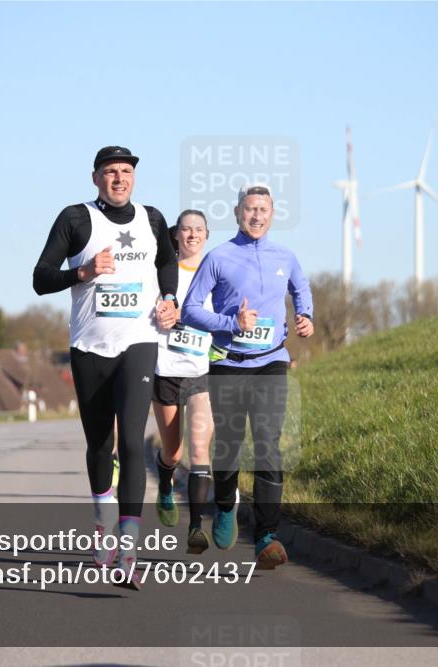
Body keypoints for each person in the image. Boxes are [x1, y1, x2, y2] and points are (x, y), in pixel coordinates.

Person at [32, 146, 178, 589]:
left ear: (134, 177)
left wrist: (170, 300)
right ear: (96, 178)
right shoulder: (75, 219)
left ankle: (129, 548)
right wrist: (82, 273)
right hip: (90, 348)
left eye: (127, 172)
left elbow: (167, 261)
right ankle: (102, 521)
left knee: (133, 440)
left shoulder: (152, 219)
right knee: (101, 443)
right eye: (111, 172)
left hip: (140, 341)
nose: (119, 179)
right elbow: (40, 278)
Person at [182, 182, 314, 569]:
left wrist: (305, 316)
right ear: (238, 212)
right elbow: (190, 309)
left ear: (272, 214)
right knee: (229, 443)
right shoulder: (219, 257)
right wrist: (230, 323)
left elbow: (301, 288)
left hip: (272, 361)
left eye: (264, 210)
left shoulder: (285, 256)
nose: (257, 216)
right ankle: (225, 505)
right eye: (250, 209)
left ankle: (267, 537)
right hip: (227, 362)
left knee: (269, 444)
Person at [152, 210, 215, 554]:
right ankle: (165, 485)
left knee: (200, 448)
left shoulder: (215, 272)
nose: (192, 235)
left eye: (199, 230)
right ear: (176, 235)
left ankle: (195, 528)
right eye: (186, 230)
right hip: (166, 369)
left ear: (207, 235)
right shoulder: (161, 272)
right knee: (173, 452)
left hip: (200, 371)